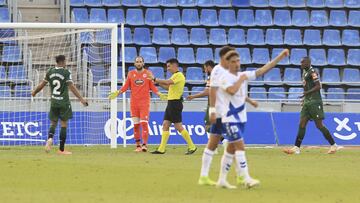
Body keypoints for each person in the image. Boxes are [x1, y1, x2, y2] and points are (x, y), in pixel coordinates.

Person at [216, 49, 290, 189]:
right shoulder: (224, 77)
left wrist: (280, 57)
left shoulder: (243, 75)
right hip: (229, 118)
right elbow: (231, 91)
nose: (237, 64)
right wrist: (241, 80)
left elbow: (262, 70)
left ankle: (222, 180)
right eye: (233, 62)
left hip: (241, 117)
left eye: (238, 61)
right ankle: (246, 178)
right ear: (228, 64)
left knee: (231, 149)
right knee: (240, 146)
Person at [31, 55, 88, 155]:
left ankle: (50, 138)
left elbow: (42, 85)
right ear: (63, 61)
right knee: (63, 125)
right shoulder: (66, 72)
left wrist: (34, 92)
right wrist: (81, 99)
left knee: (53, 123)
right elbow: (72, 87)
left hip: (54, 102)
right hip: (64, 102)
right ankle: (61, 150)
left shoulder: (50, 71)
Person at [283, 57, 339, 155]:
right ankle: (296, 148)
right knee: (301, 124)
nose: (301, 64)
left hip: (315, 102)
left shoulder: (313, 72)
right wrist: (305, 98)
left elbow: (318, 86)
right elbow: (307, 87)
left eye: (302, 62)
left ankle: (334, 145)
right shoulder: (304, 73)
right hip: (307, 102)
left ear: (308, 63)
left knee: (319, 125)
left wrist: (306, 93)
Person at [108, 56, 163, 152]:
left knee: (144, 124)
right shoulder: (130, 74)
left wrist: (159, 94)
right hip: (134, 103)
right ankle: (138, 146)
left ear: (143, 63)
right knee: (136, 125)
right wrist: (118, 93)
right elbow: (125, 86)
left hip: (144, 103)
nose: (138, 63)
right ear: (134, 64)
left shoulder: (148, 73)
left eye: (140, 61)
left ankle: (145, 145)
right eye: (137, 62)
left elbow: (152, 87)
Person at [147, 58, 197, 155]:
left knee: (178, 127)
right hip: (171, 103)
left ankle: (192, 146)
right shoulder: (175, 76)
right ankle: (161, 149)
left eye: (169, 66)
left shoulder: (179, 75)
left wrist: (155, 79)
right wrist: (157, 83)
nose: (168, 69)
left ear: (175, 65)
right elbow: (168, 87)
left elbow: (168, 82)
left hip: (175, 103)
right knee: (165, 125)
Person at [186, 60, 215, 132]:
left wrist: (193, 96)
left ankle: (226, 141)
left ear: (208, 67)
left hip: (213, 104)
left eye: (205, 68)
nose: (205, 71)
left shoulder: (212, 76)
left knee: (208, 126)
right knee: (210, 126)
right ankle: (224, 140)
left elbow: (207, 92)